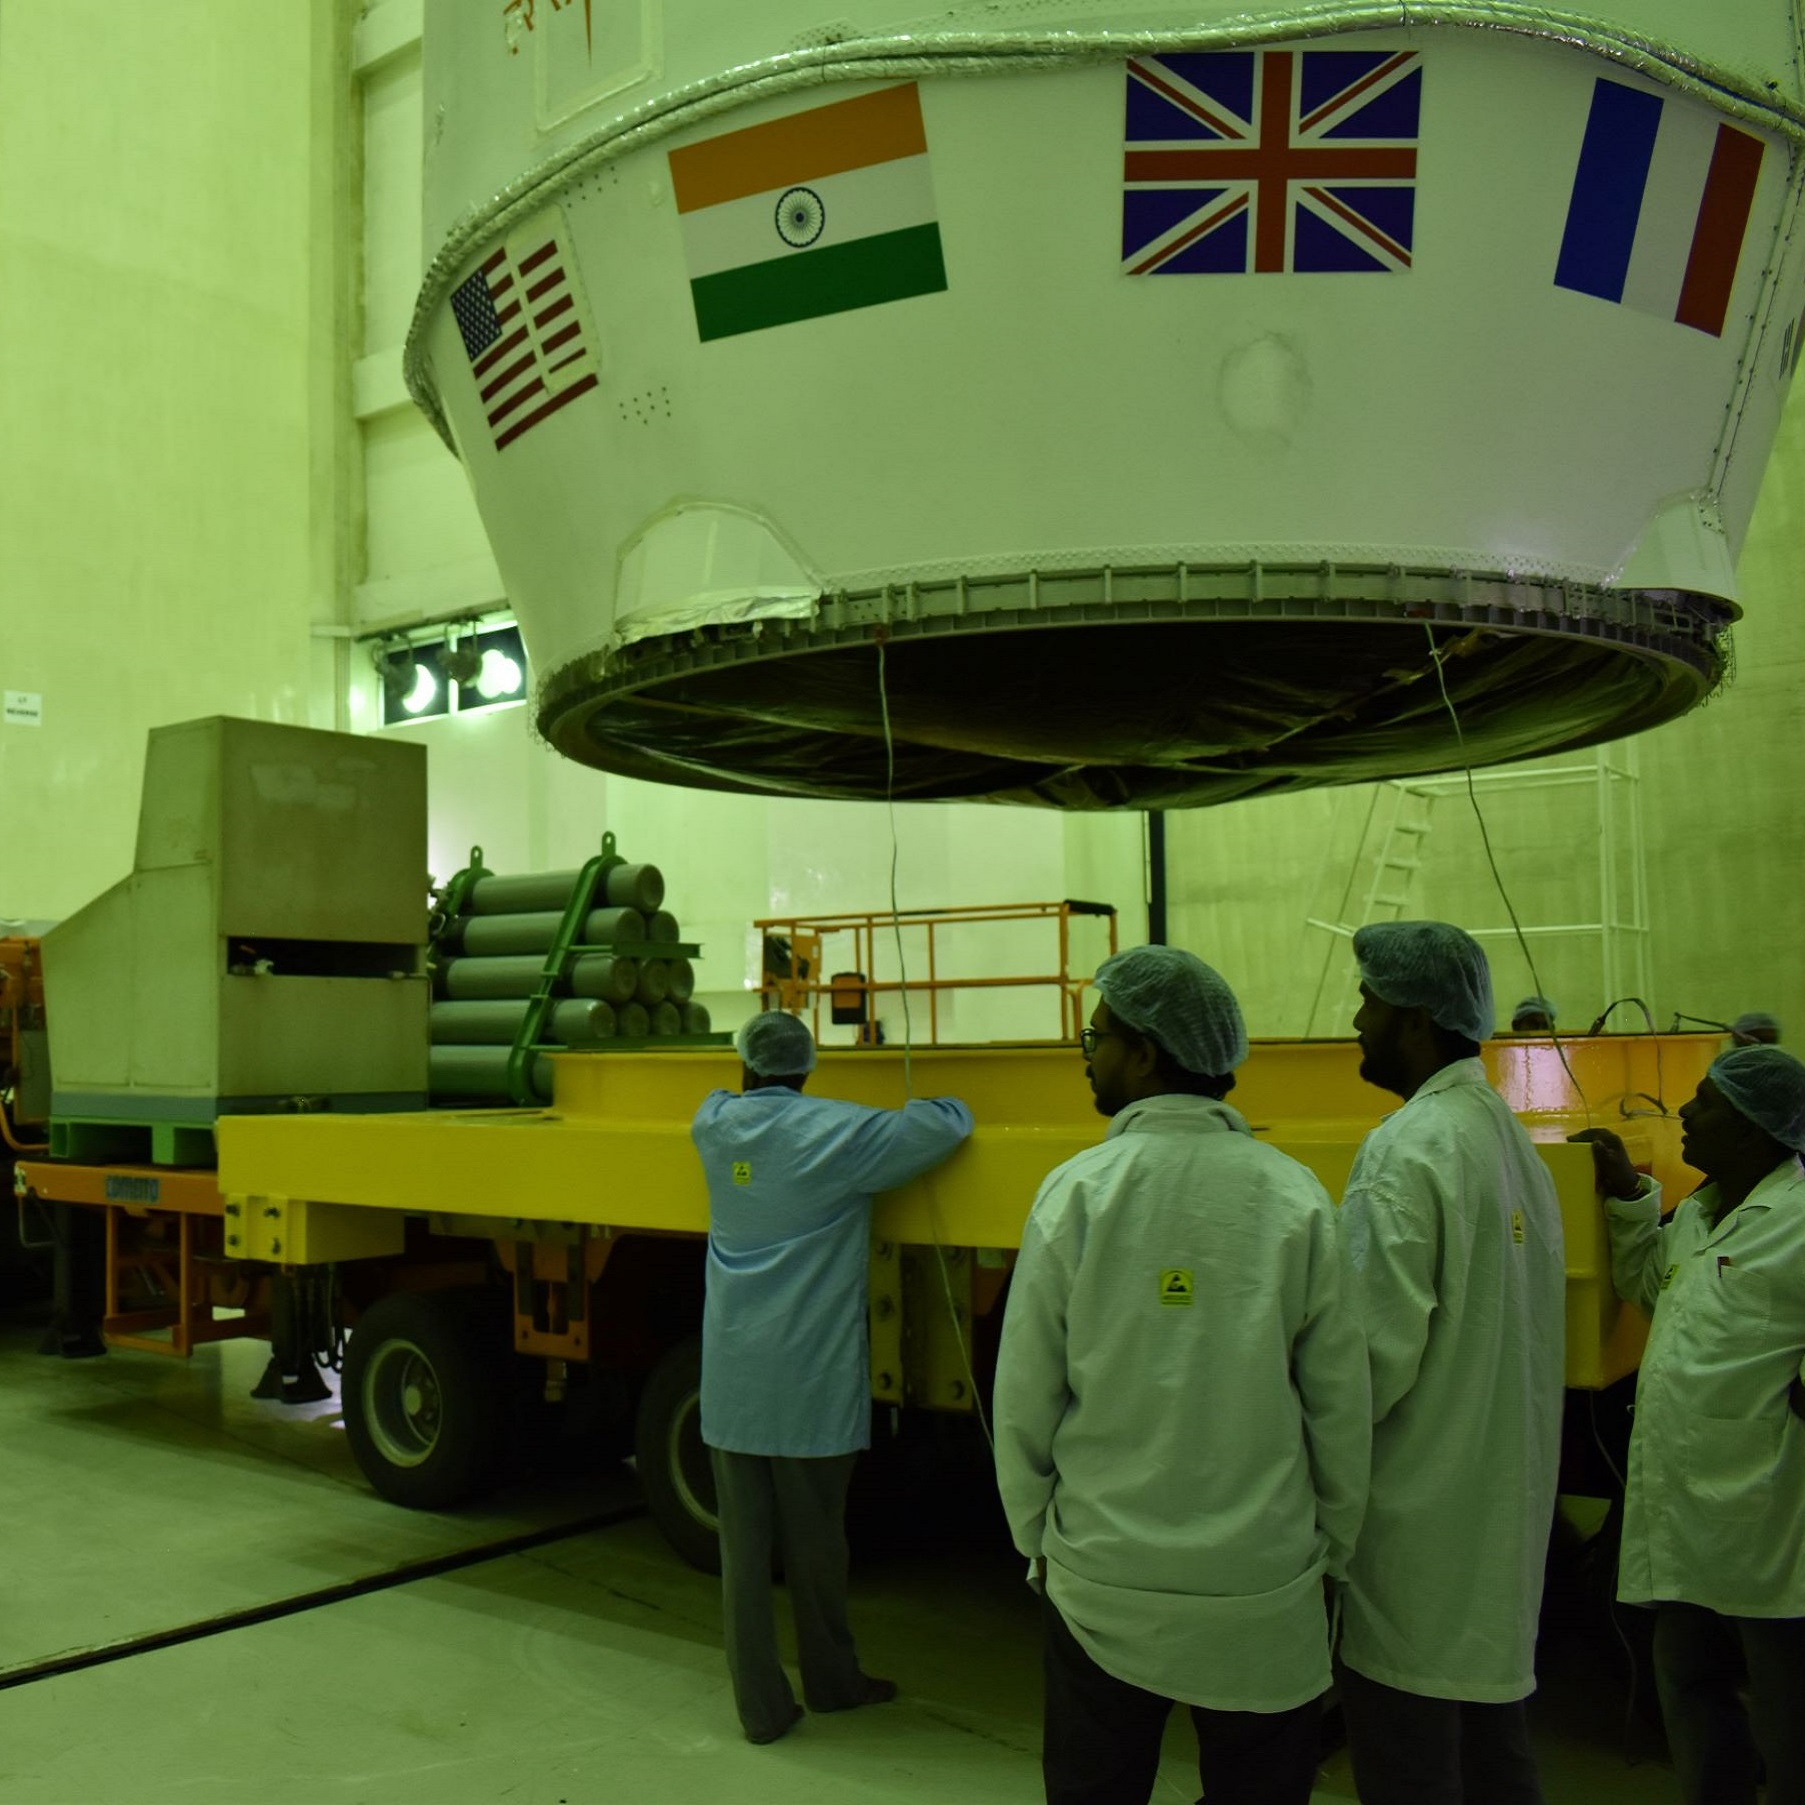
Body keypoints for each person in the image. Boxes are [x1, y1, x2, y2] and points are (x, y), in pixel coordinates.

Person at [993, 946, 1370, 1805]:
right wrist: (1331, 1548)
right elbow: (1337, 1403)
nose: (1087, 1053)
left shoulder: (1076, 1194)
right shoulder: (1294, 1196)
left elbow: (1024, 1397)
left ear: (1146, 1053)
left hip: (1102, 1579)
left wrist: (1035, 1541)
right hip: (1259, 1585)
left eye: (1097, 1036)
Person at [691, 1010, 973, 1744]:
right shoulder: (841, 1135)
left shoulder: (712, 1125)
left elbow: (718, 1099)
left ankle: (759, 1707)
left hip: (731, 1377)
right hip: (806, 1380)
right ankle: (833, 1681)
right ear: (809, 1068)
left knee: (742, 1553)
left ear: (745, 1068)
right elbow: (945, 1126)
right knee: (816, 1544)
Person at [1337, 921, 1566, 1805]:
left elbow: (1360, 1361)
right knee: (1492, 1752)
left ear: (1418, 1020)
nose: (1355, 1019)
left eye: (1369, 1001)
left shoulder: (1406, 1147)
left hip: (1413, 1539)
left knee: (1412, 1762)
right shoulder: (1506, 1143)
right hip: (1494, 1529)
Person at [1572, 1045, 1805, 1805]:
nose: (1685, 1113)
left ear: (1754, 1129)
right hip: (1683, 1502)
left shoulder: (1797, 1219)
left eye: (1705, 1102)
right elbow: (1651, 1286)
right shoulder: (1699, 1211)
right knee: (1689, 1685)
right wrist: (1625, 1191)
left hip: (1769, 1510)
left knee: (1787, 1709)